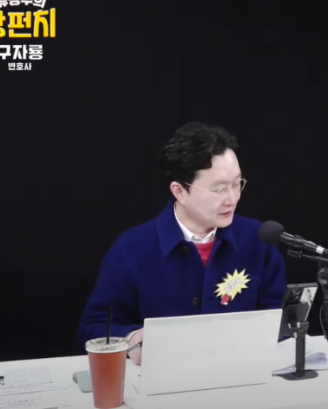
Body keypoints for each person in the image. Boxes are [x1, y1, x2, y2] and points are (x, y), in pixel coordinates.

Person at [77, 122, 286, 365]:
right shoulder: (132, 249)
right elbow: (93, 328)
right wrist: (132, 340)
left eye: (237, 183)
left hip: (243, 371)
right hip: (165, 376)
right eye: (219, 189)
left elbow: (279, 320)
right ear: (179, 192)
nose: (232, 198)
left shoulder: (259, 239)